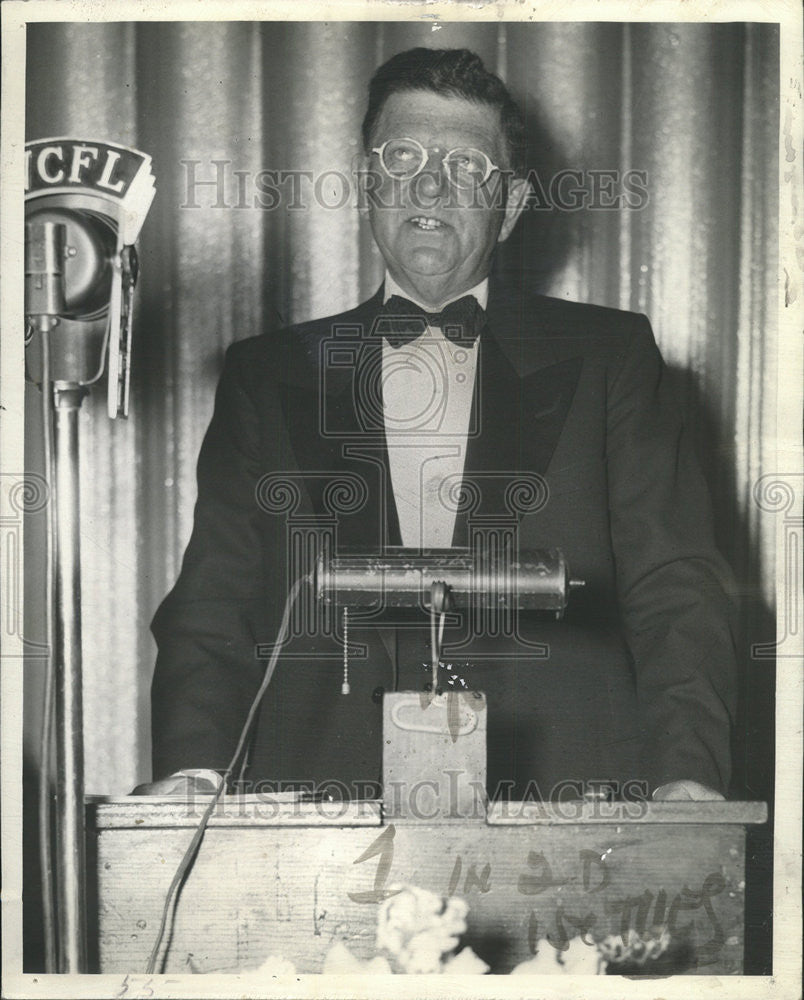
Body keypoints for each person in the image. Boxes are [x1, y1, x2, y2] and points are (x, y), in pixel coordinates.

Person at [142, 48, 736, 803]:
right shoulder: (267, 373)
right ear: (367, 183)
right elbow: (213, 602)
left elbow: (675, 587)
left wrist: (686, 777)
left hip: (567, 811)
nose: (429, 183)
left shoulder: (610, 356)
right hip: (321, 825)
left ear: (512, 205)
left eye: (465, 166)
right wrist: (196, 773)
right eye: (404, 156)